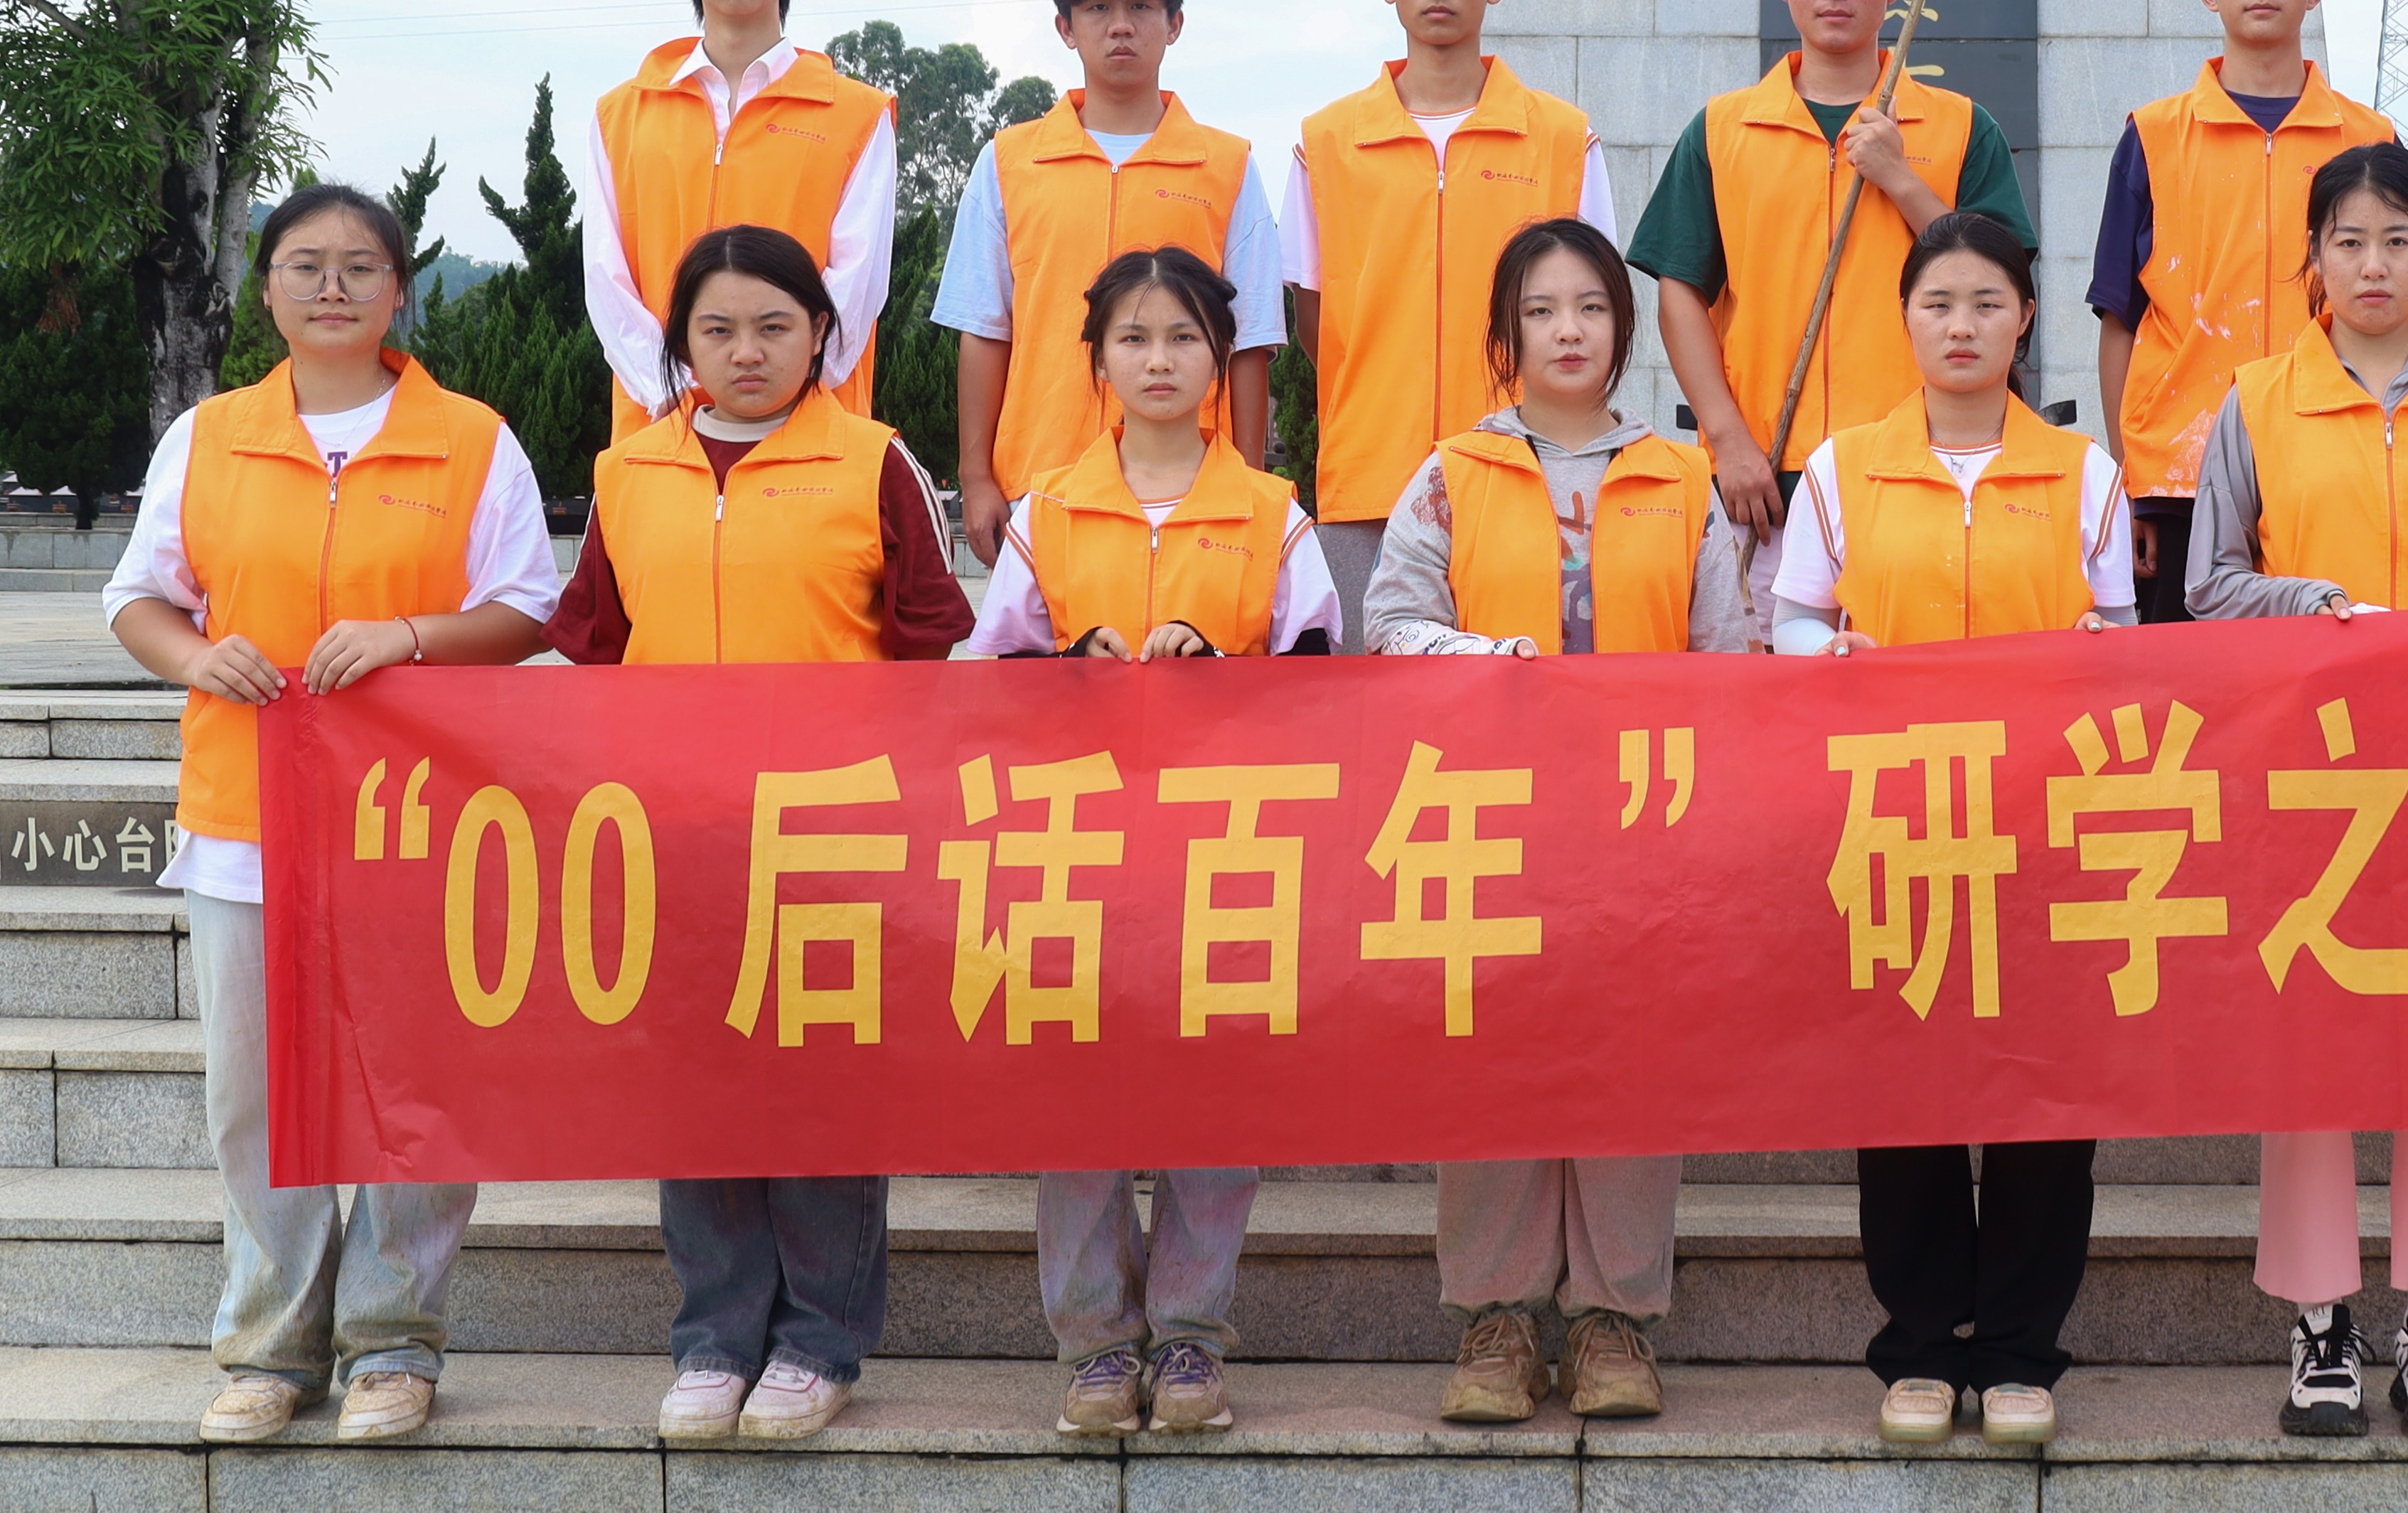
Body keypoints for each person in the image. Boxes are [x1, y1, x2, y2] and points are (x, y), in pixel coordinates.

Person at [102, 186, 562, 1448]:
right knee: (255, 1094)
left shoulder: (470, 438)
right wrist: (197, 656)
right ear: (264, 290)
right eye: (305, 264)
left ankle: (395, 1343)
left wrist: (413, 634)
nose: (333, 287)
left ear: (400, 288)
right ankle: (271, 1347)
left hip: (422, 823)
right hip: (247, 817)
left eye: (362, 265)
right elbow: (138, 597)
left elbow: (527, 606)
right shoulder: (209, 436)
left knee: (417, 1086)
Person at [545, 223, 971, 1443]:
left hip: (836, 837)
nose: (746, 351)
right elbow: (592, 646)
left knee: (823, 1095)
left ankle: (818, 1343)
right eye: (718, 328)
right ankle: (716, 1337)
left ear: (822, 334)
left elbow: (932, 643)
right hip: (679, 837)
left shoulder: (876, 461)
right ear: (679, 342)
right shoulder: (628, 471)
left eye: (775, 326)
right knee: (699, 1092)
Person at [1369, 218, 1752, 1426]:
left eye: (1589, 306)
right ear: (1506, 334)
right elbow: (1391, 623)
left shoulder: (1678, 476)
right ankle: (1494, 1317)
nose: (1568, 330)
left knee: (1631, 1056)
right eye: (1540, 311)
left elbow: (1726, 653)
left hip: (1641, 818)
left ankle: (1612, 1318)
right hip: (1487, 818)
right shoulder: (1450, 472)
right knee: (1494, 1054)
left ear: (1622, 329)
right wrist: (1489, 659)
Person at [2183, 142, 2408, 1440]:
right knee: (2313, 1039)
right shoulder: (2255, 400)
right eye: (2348, 240)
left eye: (2398, 239)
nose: (2373, 263)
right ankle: (2319, 1318)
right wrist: (2312, 601)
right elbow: (2208, 583)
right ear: (2314, 258)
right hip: (2308, 767)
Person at [1771, 209, 2132, 1450]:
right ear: (1905, 319)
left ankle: (2022, 1351)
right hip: (1896, 824)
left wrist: (2091, 656)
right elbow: (1790, 623)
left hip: (2045, 831)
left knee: (2046, 1099)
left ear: (2024, 317)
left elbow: (2118, 643)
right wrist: (1830, 654)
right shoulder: (1840, 469)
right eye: (1938, 303)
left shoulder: (2082, 472)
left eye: (1986, 302)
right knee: (1904, 1097)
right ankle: (1921, 1347)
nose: (1962, 325)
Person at [963, 244, 1334, 1438]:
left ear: (1221, 358)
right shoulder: (1047, 511)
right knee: (1077, 1104)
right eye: (1133, 336)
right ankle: (1091, 1343)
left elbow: (1325, 683)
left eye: (1183, 337)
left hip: (1224, 858)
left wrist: (1218, 669)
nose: (1158, 358)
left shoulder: (1273, 514)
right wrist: (1070, 667)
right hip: (1073, 858)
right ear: (1097, 361)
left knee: (1209, 1103)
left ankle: (1188, 1337)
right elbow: (986, 676)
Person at [1630, 0, 2038, 621]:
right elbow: (1679, 289)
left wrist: (1900, 179)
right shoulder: (1722, 130)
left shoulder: (1958, 126)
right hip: (1766, 478)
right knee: (1775, 671)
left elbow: (2000, 281)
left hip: (1922, 464)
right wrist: (1727, 439)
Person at [1286, 0, 1611, 651]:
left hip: (1524, 469)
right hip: (1369, 474)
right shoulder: (1325, 142)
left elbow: (1595, 305)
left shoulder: (1562, 139)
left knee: (1523, 687)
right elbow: (1313, 310)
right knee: (1372, 696)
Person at [936, 0, 1282, 567]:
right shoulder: (1007, 163)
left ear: (1174, 23)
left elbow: (1252, 337)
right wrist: (976, 476)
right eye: (1097, 7)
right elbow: (982, 328)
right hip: (1040, 481)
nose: (1120, 25)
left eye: (1141, 6)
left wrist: (1248, 484)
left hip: (1189, 491)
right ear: (1066, 27)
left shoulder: (1228, 166)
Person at [2090, 0, 2392, 623]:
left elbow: (2397, 320)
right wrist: (2128, 480)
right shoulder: (2153, 136)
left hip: (2330, 463)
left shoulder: (2368, 140)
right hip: (2179, 476)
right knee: (2183, 685)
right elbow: (2120, 318)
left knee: (2326, 678)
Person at [584, 0, 898, 443]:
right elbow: (606, 279)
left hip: (811, 428)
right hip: (660, 426)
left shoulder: (859, 114)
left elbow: (859, 283)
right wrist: (671, 385)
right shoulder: (620, 115)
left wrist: (782, 388)